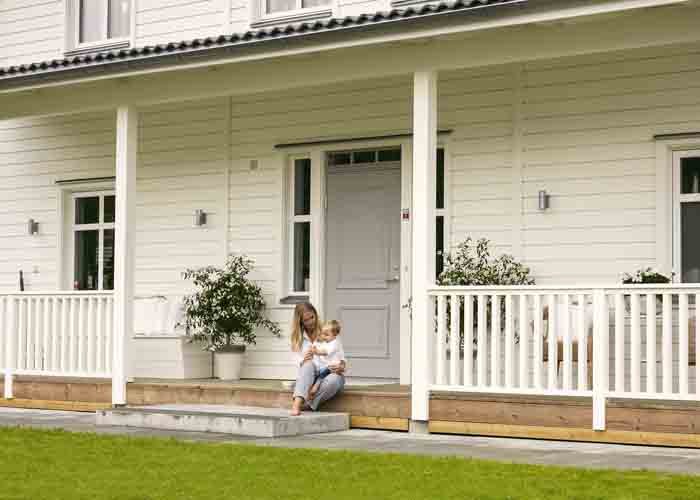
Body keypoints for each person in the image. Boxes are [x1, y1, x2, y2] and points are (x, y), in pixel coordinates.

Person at [290, 302, 345, 416]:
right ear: (300, 322)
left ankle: (306, 404)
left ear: (315, 315)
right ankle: (297, 404)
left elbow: (339, 352)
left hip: (329, 374)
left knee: (334, 380)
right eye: (306, 320)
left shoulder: (326, 330)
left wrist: (342, 366)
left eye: (312, 317)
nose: (311, 321)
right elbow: (296, 364)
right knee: (308, 365)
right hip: (308, 379)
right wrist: (304, 360)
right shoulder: (297, 338)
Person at [308, 320, 345, 400]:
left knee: (323, 376)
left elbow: (326, 352)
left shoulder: (335, 343)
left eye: (327, 335)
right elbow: (316, 347)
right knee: (318, 375)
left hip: (332, 367)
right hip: (322, 367)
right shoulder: (325, 342)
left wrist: (316, 352)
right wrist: (314, 348)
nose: (324, 337)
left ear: (335, 335)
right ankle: (310, 392)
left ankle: (315, 387)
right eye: (323, 334)